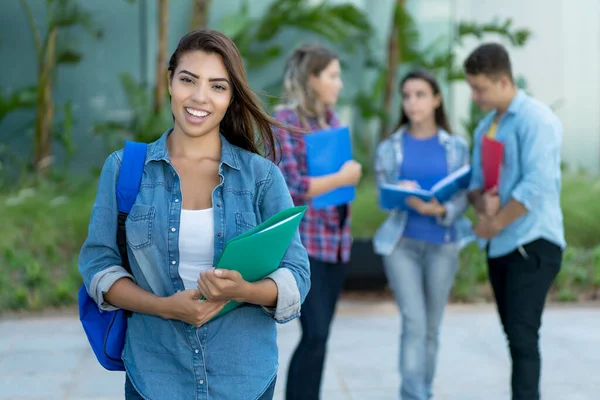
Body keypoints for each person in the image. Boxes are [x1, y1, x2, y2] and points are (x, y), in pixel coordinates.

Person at [78, 29, 311, 400]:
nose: (200, 97)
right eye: (188, 80)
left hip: (244, 377)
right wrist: (165, 308)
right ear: (170, 80)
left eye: (218, 86)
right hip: (155, 376)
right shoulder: (125, 169)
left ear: (231, 96)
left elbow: (297, 275)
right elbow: (98, 266)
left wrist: (244, 290)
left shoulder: (262, 177)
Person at [464, 43, 565, 400]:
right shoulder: (485, 128)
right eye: (472, 88)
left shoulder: (538, 120)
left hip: (533, 242)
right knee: (515, 337)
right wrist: (481, 202)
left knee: (523, 337)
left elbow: (537, 185)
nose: (475, 96)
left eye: (480, 88)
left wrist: (495, 223)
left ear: (504, 80)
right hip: (500, 245)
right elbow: (474, 186)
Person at [373, 68, 473, 400]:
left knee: (431, 328)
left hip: (443, 245)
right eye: (406, 95)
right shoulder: (390, 147)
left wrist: (443, 209)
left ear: (436, 99)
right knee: (414, 323)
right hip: (401, 244)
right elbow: (383, 197)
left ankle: (424, 392)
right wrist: (399, 191)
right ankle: (413, 396)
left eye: (420, 94)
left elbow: (464, 194)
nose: (412, 102)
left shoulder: (456, 146)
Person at [272, 44, 362, 399]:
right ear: (312, 78)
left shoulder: (333, 120)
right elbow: (289, 188)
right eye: (333, 76)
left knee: (321, 337)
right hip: (305, 246)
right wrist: (343, 178)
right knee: (316, 333)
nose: (339, 84)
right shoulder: (285, 122)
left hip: (336, 243)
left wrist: (345, 180)